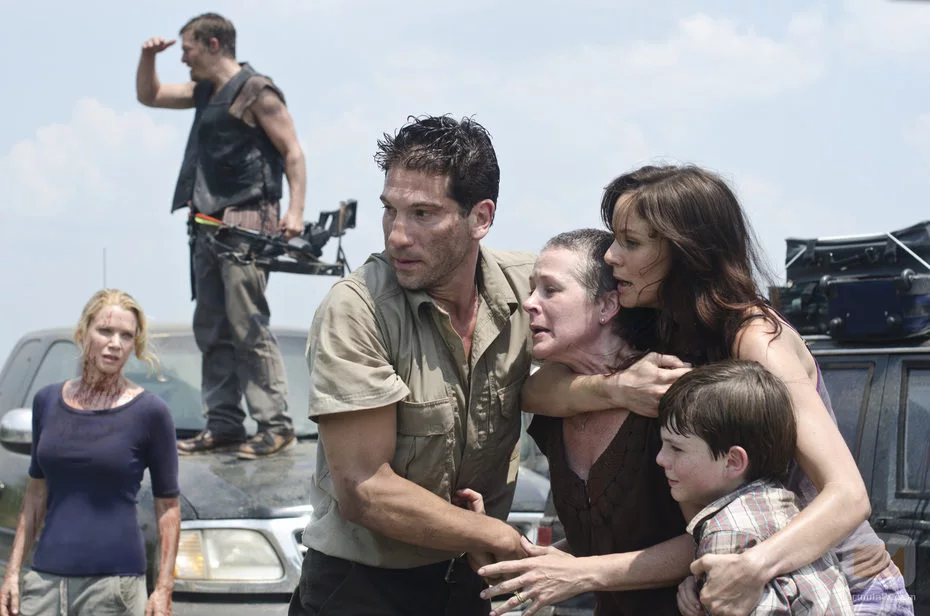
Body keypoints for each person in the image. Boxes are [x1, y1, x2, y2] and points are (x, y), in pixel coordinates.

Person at [509, 164, 913, 615]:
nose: (611, 256)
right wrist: (617, 388)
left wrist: (751, 567)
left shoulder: (755, 339)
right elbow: (536, 391)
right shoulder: (671, 331)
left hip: (845, 590)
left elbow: (849, 495)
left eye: (631, 242)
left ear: (684, 252)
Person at [465, 229, 689, 616]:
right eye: (531, 289)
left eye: (550, 290)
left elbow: (714, 535)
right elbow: (600, 544)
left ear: (606, 305)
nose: (529, 303)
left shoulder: (669, 392)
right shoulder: (553, 413)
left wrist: (581, 573)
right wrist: (512, 556)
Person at [136, 12, 304, 458]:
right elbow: (150, 95)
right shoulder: (204, 91)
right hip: (206, 224)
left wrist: (295, 212)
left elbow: (293, 152)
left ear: (213, 45)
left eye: (187, 49)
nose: (183, 59)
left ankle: (275, 424)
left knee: (247, 323)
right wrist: (147, 57)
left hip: (247, 220)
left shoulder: (257, 91)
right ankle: (224, 424)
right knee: (211, 326)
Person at [0, 289, 180, 616]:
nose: (115, 343)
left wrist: (163, 588)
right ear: (83, 332)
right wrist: (12, 573)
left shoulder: (151, 412)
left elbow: (168, 507)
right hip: (43, 583)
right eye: (105, 331)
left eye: (126, 335)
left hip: (114, 589)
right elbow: (36, 494)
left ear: (135, 344)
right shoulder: (46, 402)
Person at [658, 359, 854, 614]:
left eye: (676, 448)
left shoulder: (728, 533)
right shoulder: (781, 506)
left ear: (733, 461)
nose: (661, 459)